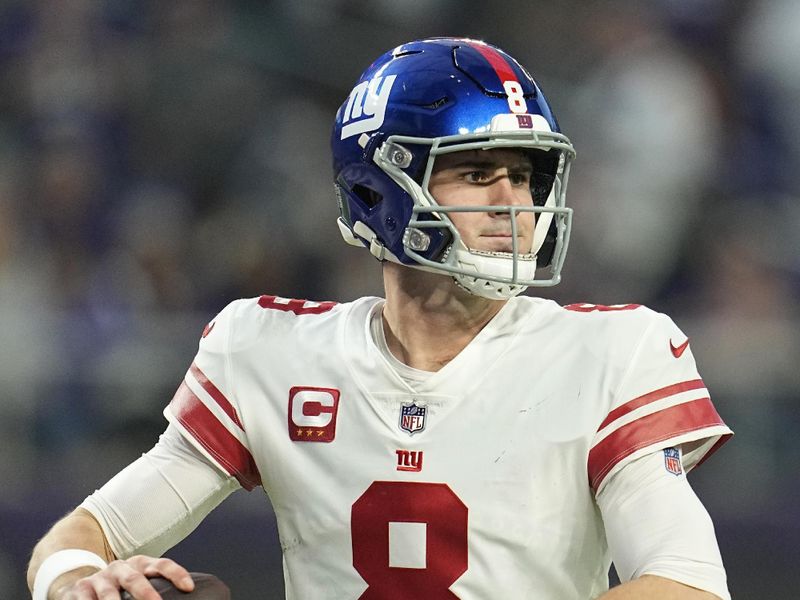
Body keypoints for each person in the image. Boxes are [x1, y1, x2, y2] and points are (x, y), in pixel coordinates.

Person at [27, 37, 733, 600]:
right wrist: (80, 584)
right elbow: (76, 539)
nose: (514, 205)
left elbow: (689, 582)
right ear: (376, 190)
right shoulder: (270, 352)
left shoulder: (611, 353)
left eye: (526, 176)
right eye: (478, 172)